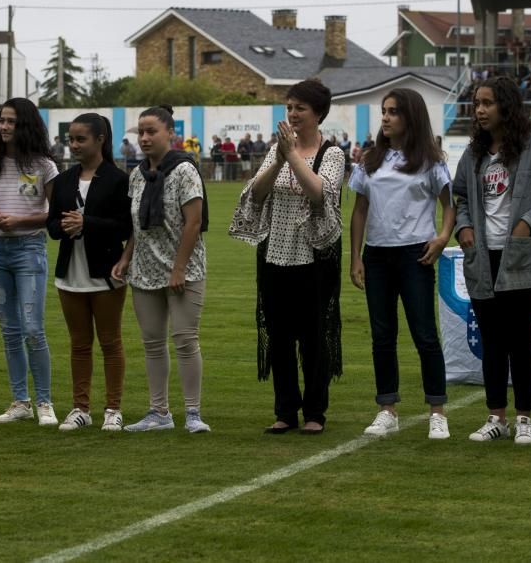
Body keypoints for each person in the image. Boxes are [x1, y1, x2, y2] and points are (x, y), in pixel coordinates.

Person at [230, 79, 344, 435]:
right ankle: (285, 410)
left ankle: (315, 412)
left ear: (318, 114)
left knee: (313, 336)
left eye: (301, 109)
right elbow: (257, 194)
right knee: (278, 336)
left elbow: (318, 194)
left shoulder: (333, 154)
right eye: (290, 107)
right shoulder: (277, 149)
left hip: (314, 257)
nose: (293, 114)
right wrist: (278, 158)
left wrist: (292, 155)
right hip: (275, 253)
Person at [452, 76, 531, 445]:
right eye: (476, 104)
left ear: (506, 107)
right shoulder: (472, 154)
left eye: (487, 103)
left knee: (520, 342)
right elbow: (460, 196)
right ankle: (496, 417)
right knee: (492, 343)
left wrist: (527, 224)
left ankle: (524, 417)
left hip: (523, 261)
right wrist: (463, 227)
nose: (480, 110)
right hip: (482, 260)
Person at [349, 89, 455, 440]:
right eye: (384, 111)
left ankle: (437, 411)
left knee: (425, 334)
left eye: (393, 111)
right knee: (382, 336)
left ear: (411, 116)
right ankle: (387, 409)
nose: (385, 117)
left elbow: (449, 204)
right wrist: (356, 257)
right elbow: (360, 209)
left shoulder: (430, 160)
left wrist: (442, 238)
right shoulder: (370, 160)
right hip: (377, 256)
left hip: (416, 254)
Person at [111, 105, 210, 433]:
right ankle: (159, 412)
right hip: (144, 270)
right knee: (152, 342)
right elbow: (137, 226)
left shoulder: (185, 170)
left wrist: (178, 269)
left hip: (184, 270)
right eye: (140, 132)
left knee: (185, 339)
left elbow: (193, 223)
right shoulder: (137, 175)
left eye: (151, 131)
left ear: (171, 133)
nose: (144, 137)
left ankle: (193, 413)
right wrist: (126, 259)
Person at [0, 98, 60, 426]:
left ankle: (45, 402)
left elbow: (54, 214)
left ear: (25, 125)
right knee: (10, 331)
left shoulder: (44, 166)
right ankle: (20, 401)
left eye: (11, 121)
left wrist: (20, 223)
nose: (4, 127)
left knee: (33, 329)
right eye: (1, 121)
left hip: (29, 250)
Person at [48, 113, 132, 432]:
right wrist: (64, 226)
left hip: (106, 271)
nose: (73, 145)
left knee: (110, 342)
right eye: (71, 139)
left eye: (80, 139)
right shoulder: (64, 180)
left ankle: (113, 408)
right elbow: (52, 225)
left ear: (100, 140)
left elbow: (125, 226)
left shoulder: (117, 179)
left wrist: (88, 223)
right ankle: (80, 408)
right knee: (79, 344)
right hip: (69, 273)